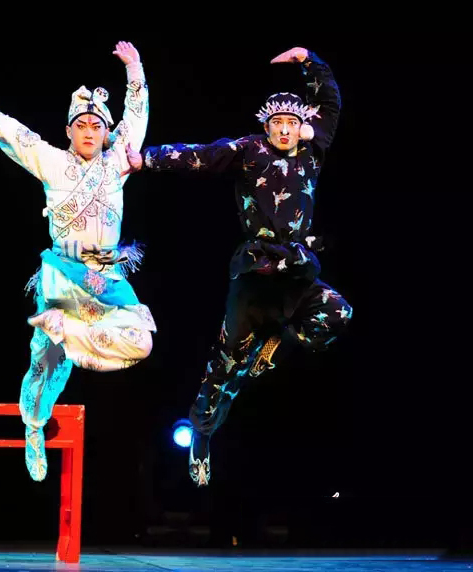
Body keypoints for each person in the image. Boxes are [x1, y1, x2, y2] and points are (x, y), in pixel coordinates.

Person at [126, 47, 352, 486]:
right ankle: (202, 437)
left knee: (339, 312)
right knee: (225, 370)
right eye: (277, 123)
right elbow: (201, 156)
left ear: (302, 127)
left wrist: (309, 59)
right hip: (256, 275)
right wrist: (147, 158)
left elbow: (330, 104)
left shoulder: (313, 152)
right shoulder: (250, 150)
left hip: (295, 273)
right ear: (266, 126)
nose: (283, 130)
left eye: (291, 123)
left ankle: (279, 343)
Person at [0, 41, 156, 481]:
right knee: (46, 365)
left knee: (142, 341)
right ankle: (35, 427)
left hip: (105, 278)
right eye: (81, 125)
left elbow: (136, 119)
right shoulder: (54, 163)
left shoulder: (117, 162)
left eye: (96, 126)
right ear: (68, 132)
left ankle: (66, 330)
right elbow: (13, 132)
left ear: (106, 133)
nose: (89, 132)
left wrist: (134, 68)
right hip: (62, 276)